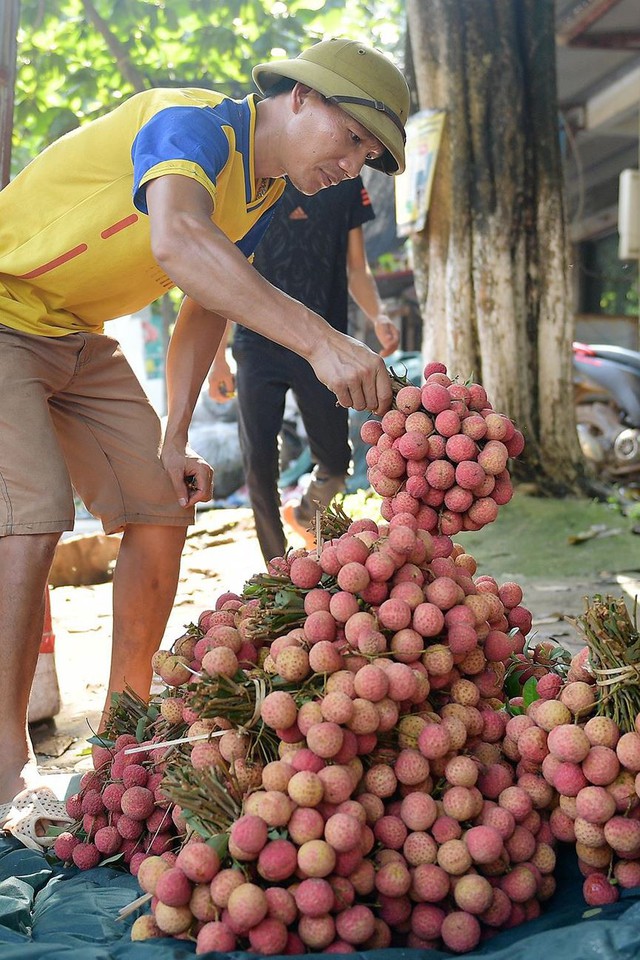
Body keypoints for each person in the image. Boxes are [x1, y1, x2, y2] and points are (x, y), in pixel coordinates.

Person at [0, 36, 409, 846]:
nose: (354, 165)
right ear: (300, 97)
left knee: (160, 505)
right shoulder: (192, 125)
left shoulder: (259, 192)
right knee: (35, 511)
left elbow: (203, 303)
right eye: (354, 137)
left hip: (75, 333)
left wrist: (175, 434)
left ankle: (124, 737)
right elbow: (177, 241)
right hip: (6, 306)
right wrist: (322, 340)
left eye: (370, 153)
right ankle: (5, 762)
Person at [208, 177, 400, 565]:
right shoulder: (251, 178)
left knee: (335, 462)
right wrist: (217, 359)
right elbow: (220, 274)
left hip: (324, 347)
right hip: (256, 344)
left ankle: (305, 513)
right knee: (258, 465)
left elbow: (357, 268)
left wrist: (378, 315)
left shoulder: (345, 183)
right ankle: (277, 566)